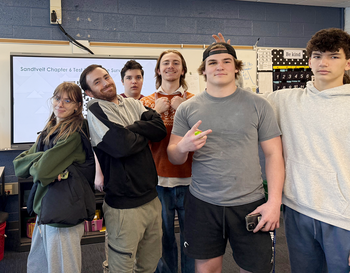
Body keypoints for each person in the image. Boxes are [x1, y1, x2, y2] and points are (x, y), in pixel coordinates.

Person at [167, 42, 284, 273]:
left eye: (226, 61)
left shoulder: (259, 105)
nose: (219, 66)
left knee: (255, 269)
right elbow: (174, 156)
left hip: (250, 203)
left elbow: (274, 155)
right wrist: (184, 147)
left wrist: (274, 202)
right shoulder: (187, 108)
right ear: (203, 70)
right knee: (207, 269)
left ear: (236, 68)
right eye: (212, 62)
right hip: (203, 203)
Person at [266, 28, 350, 272]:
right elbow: (245, 105)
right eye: (317, 55)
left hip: (342, 218)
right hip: (298, 210)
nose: (323, 62)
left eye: (333, 56)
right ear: (310, 59)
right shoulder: (284, 100)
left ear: (347, 63)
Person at [79, 64, 167, 273]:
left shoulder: (131, 103)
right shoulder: (95, 109)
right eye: (97, 82)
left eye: (106, 77)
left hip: (152, 199)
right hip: (124, 207)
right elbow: (121, 146)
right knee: (121, 267)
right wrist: (141, 131)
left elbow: (159, 129)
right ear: (89, 92)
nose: (105, 83)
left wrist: (130, 129)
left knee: (149, 263)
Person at [13, 82, 96, 273]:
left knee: (63, 268)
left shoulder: (74, 132)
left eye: (68, 100)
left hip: (63, 213)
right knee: (37, 266)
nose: (61, 104)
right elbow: (18, 166)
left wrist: (41, 166)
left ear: (77, 106)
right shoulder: (50, 129)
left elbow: (41, 172)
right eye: (58, 98)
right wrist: (44, 162)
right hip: (46, 209)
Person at [141, 50, 195, 273]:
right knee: (163, 239)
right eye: (165, 63)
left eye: (176, 63)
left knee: (191, 239)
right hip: (159, 181)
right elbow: (138, 139)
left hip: (191, 181)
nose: (170, 66)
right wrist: (155, 112)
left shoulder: (194, 101)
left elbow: (203, 137)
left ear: (182, 69)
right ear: (158, 69)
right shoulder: (145, 102)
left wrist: (184, 110)